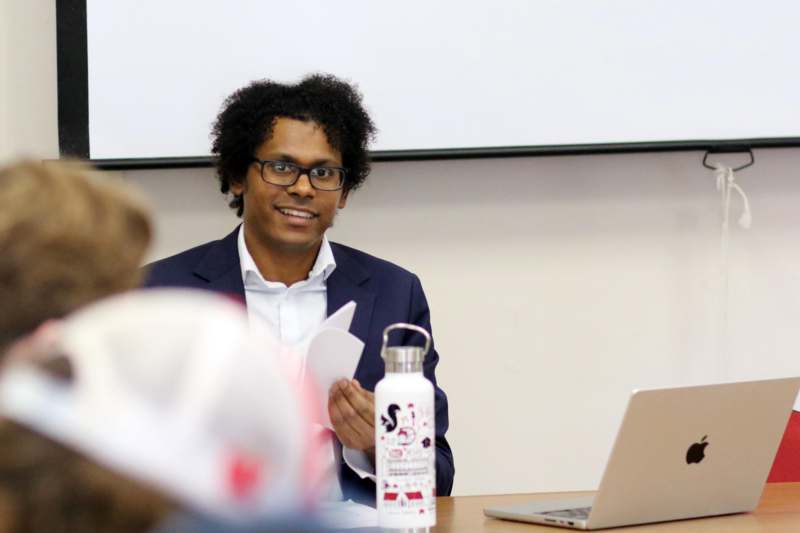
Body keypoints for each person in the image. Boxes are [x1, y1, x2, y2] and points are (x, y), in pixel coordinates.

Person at [144, 74, 455, 503]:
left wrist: (375, 445)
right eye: (282, 167)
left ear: (343, 191)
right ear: (238, 176)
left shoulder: (394, 293)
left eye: (324, 172)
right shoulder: (160, 292)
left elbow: (439, 477)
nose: (303, 187)